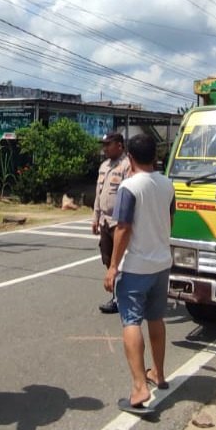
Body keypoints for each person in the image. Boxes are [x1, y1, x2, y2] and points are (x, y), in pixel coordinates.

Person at [103, 133, 175, 417]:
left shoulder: (129, 187)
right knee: (156, 318)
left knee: (131, 321)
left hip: (135, 266)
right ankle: (158, 372)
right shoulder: (167, 184)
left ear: (129, 157)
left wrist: (112, 266)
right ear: (155, 155)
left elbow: (123, 228)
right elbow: (170, 220)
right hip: (161, 263)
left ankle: (138, 387)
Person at [92, 131, 133, 314]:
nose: (105, 148)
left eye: (109, 144)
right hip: (105, 221)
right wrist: (95, 218)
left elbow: (130, 196)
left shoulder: (127, 167)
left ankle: (121, 298)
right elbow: (99, 194)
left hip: (119, 223)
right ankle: (117, 295)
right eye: (104, 145)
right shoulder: (104, 166)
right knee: (108, 259)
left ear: (119, 145)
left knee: (121, 261)